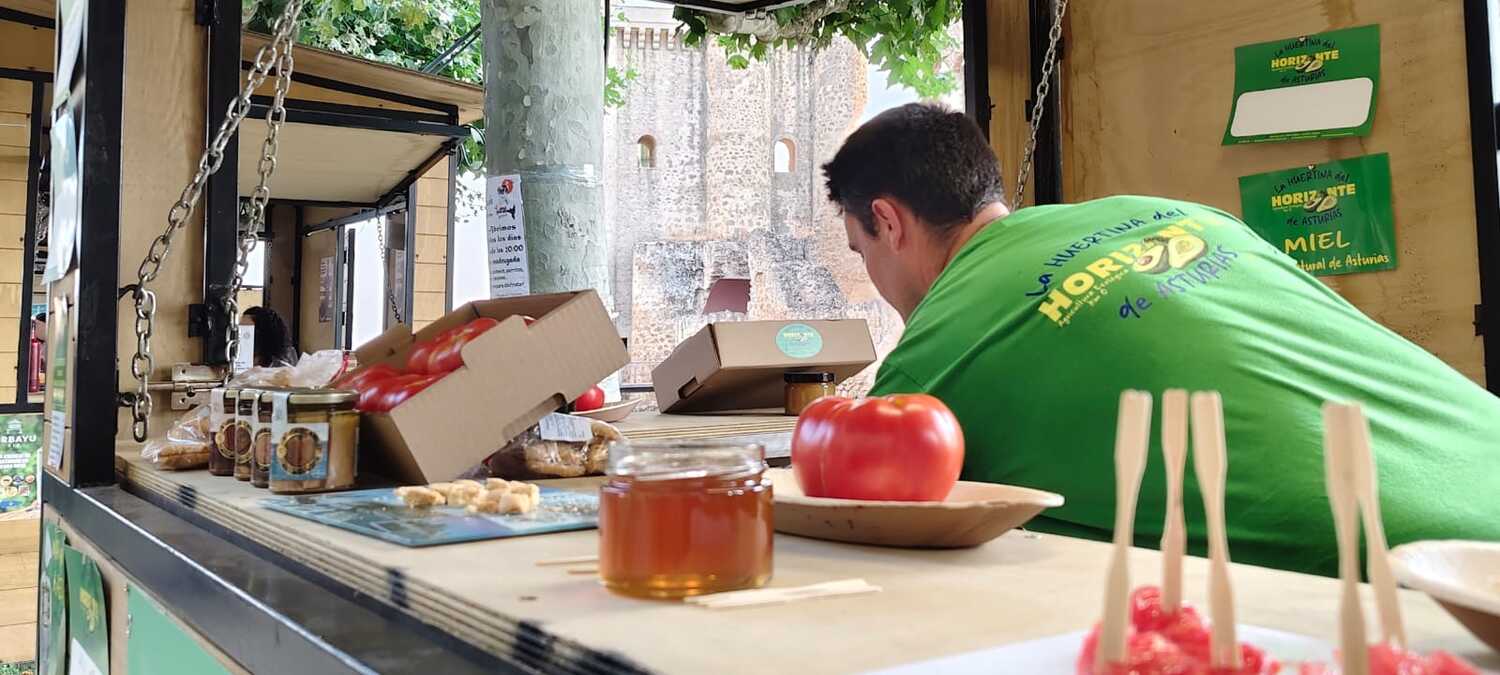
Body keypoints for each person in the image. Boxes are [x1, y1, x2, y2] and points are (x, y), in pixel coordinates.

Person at [822, 103, 1500, 576]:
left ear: (889, 222)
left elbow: (857, 528)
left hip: (1440, 586)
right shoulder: (1176, 213)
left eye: (860, 249)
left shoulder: (935, 354)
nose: (871, 273)